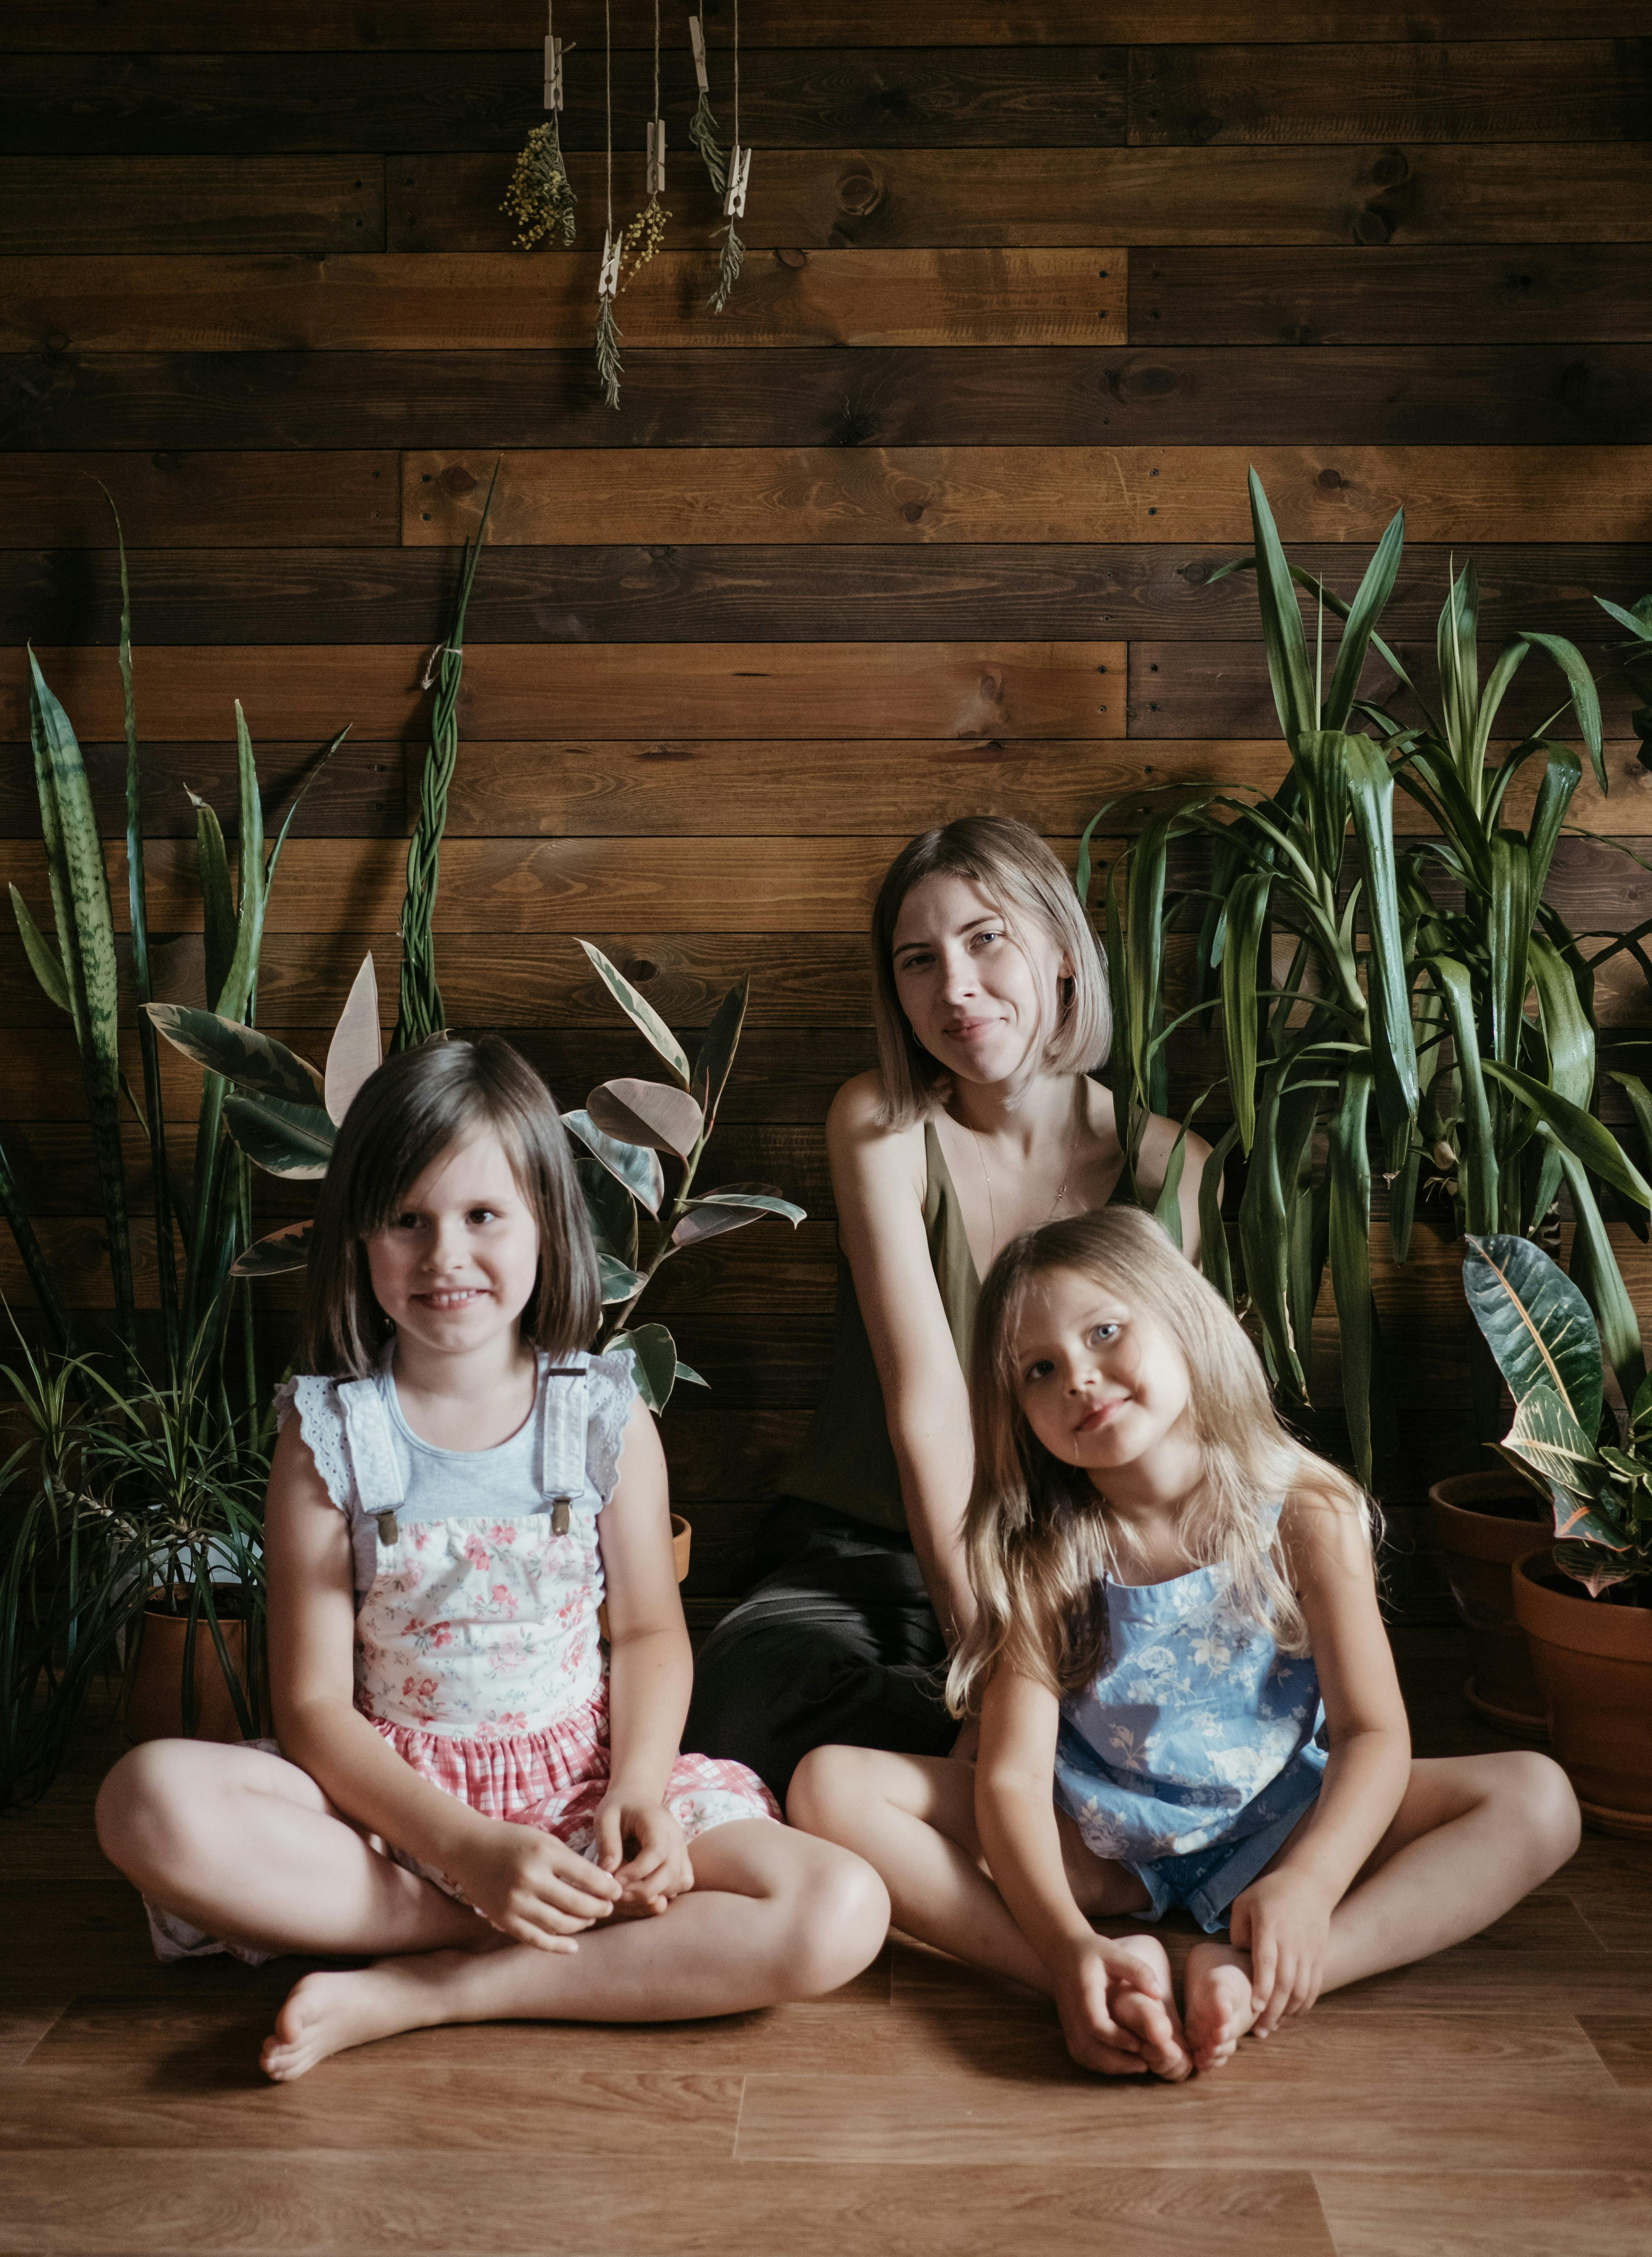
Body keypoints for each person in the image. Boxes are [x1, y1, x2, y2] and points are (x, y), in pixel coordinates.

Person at [96, 1037, 889, 2081]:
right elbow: (315, 1710)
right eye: (407, 1221)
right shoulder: (329, 1434)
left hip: (581, 1790)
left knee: (842, 1908)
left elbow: (649, 1632)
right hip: (394, 1808)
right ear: (359, 1241)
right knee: (143, 1800)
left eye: (481, 1216)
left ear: (545, 1228)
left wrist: (640, 1791)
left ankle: (439, 1987)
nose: (444, 1257)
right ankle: (500, 1926)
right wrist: (467, 1855)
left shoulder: (602, 1414)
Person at [788, 1206, 1581, 2079]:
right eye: (1038, 1370)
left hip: (1275, 1822)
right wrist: (1062, 1940)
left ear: (1183, 1319)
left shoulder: (1305, 1512)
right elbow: (1011, 1780)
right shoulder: (1040, 1549)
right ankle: (1076, 1977)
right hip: (1096, 1844)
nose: (1079, 1379)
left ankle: (1260, 1977)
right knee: (830, 1786)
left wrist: (1309, 1883)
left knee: (1537, 1800)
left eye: (1103, 1332)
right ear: (1016, 1411)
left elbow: (1372, 1735)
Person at [686, 816, 1208, 1804]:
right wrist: (985, 1656)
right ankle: (1033, 1788)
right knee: (740, 1699)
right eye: (917, 961)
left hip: (1076, 1545)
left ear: (1060, 953)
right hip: (871, 1547)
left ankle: (962, 1798)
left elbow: (1168, 1427)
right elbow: (926, 1404)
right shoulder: (879, 1127)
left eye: (984, 940)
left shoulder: (1173, 1172)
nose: (954, 988)